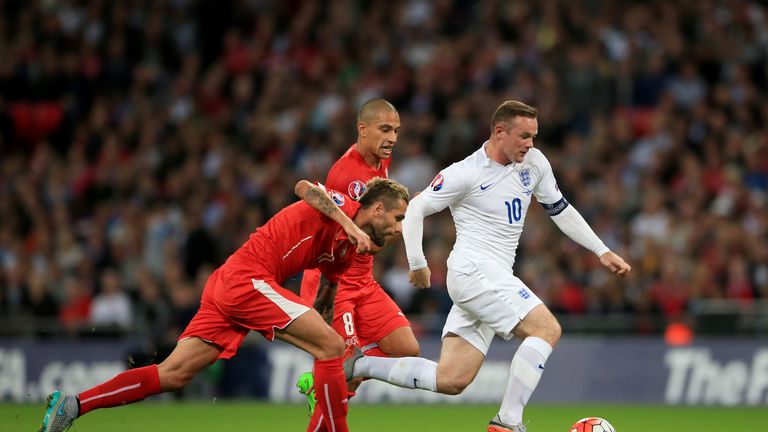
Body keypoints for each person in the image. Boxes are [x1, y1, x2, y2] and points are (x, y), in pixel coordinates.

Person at [344, 100, 631, 432]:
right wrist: (418, 262)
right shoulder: (467, 172)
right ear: (500, 131)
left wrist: (601, 250)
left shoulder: (534, 163)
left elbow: (560, 209)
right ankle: (507, 423)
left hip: (490, 278)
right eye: (524, 136)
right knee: (546, 329)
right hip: (473, 271)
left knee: (451, 378)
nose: (530, 144)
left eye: (534, 136)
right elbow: (417, 208)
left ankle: (359, 365)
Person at [39, 177, 410, 432]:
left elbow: (325, 300)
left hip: (232, 283)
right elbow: (303, 188)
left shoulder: (350, 250)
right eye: (398, 218)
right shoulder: (343, 205)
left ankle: (71, 406)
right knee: (329, 347)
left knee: (173, 374)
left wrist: (330, 347)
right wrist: (347, 222)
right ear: (376, 209)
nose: (399, 228)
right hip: (247, 280)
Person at [297, 98, 420, 430]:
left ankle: (327, 380)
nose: (392, 137)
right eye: (384, 129)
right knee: (340, 378)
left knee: (405, 346)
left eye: (396, 130)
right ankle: (330, 385)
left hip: (363, 277)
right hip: (337, 279)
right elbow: (340, 233)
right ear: (361, 129)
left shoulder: (381, 160)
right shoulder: (347, 175)